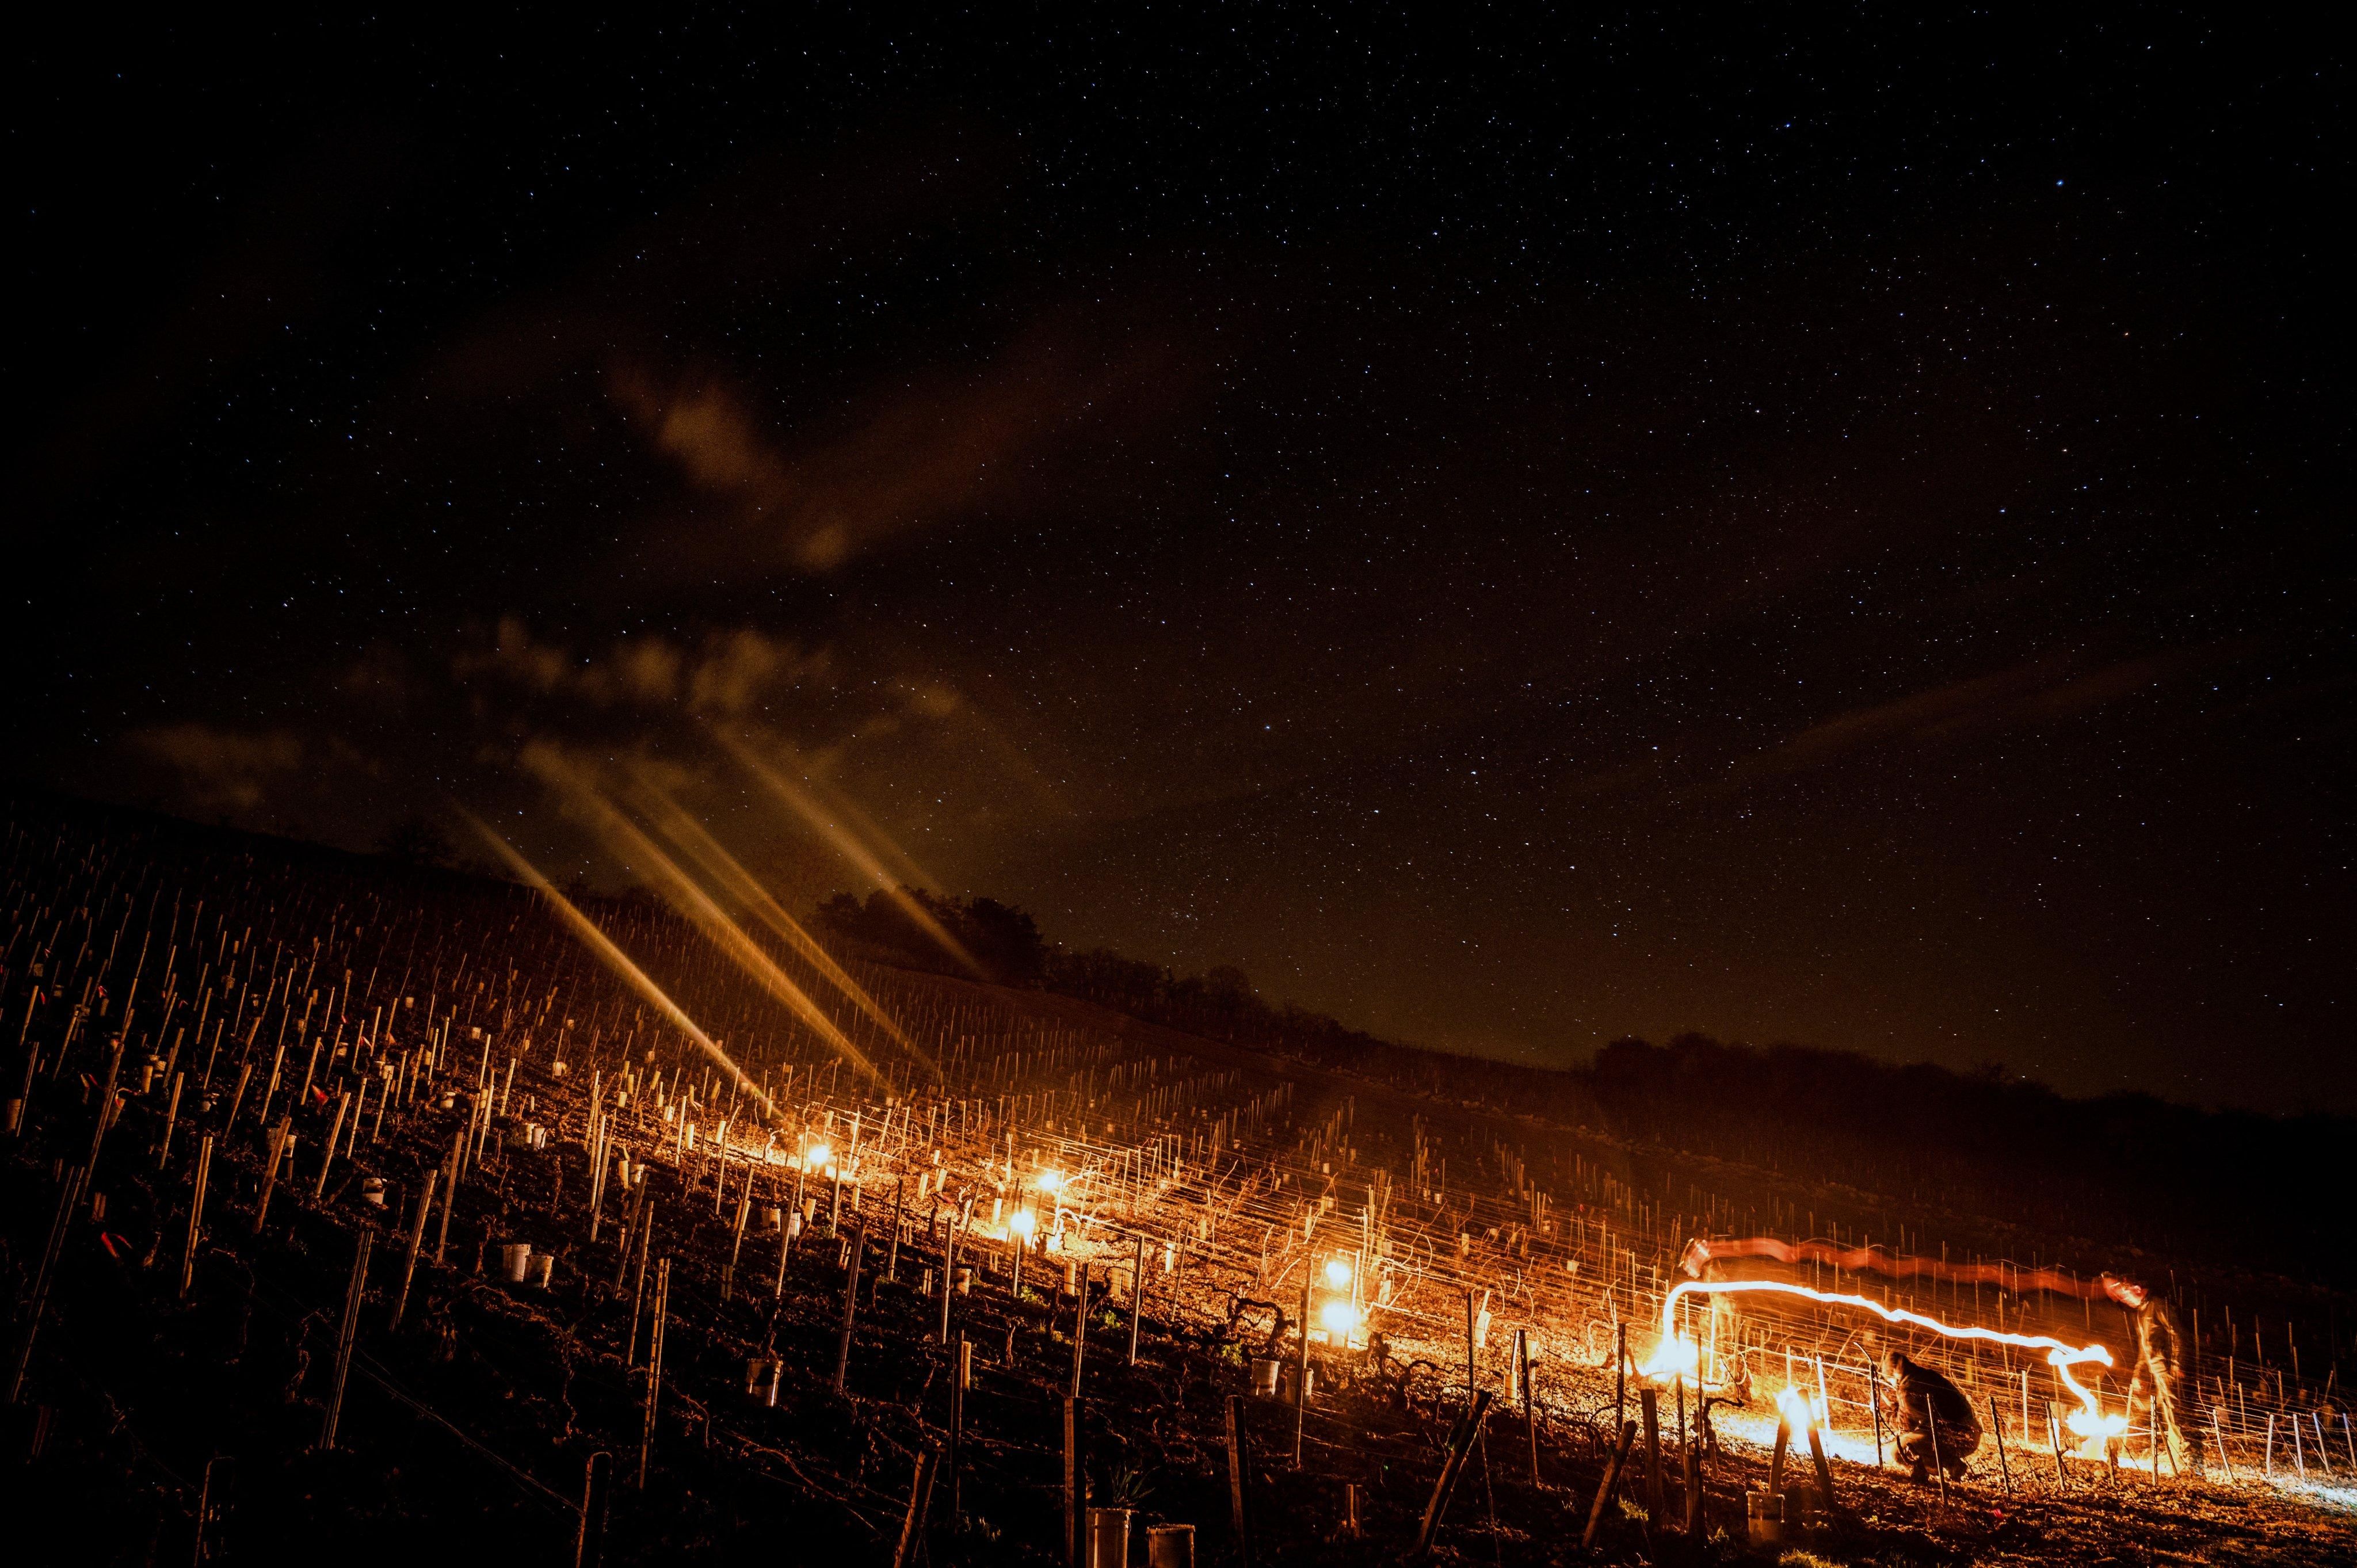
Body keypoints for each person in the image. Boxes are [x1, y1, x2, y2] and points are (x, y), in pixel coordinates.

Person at [1878, 1350, 1982, 1481]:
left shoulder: (1908, 1388)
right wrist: (1894, 1407)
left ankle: (1943, 1466)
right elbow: (1915, 1411)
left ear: (1895, 1373)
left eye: (1890, 1380)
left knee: (1898, 1450)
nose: (1892, 1384)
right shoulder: (1925, 1376)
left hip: (1958, 1438)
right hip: (1970, 1433)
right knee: (1921, 1437)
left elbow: (1905, 1425)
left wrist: (1881, 1409)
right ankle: (1947, 1464)